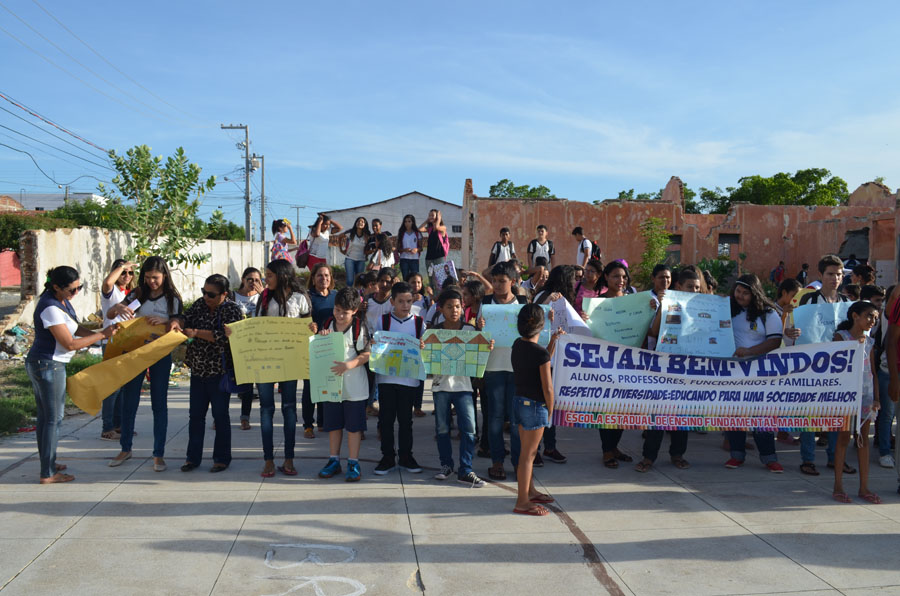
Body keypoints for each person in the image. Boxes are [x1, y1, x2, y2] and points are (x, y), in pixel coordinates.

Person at [27, 266, 117, 483]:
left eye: (79, 288)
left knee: (46, 417)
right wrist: (101, 336)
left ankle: (48, 462)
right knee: (53, 419)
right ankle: (48, 473)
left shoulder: (62, 301)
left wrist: (102, 335)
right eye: (72, 290)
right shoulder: (50, 307)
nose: (76, 293)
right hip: (48, 365)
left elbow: (76, 329)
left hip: (47, 364)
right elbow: (69, 343)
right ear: (56, 287)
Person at [106, 256, 183, 471]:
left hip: (160, 355)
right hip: (135, 353)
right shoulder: (139, 294)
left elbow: (180, 322)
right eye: (148, 277)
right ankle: (125, 448)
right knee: (129, 401)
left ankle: (158, 454)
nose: (152, 282)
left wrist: (168, 321)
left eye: (155, 278)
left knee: (159, 404)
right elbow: (110, 313)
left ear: (164, 275)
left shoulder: (172, 298)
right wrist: (118, 308)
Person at [637, 269, 702, 473]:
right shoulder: (667, 303)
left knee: (682, 414)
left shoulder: (703, 308)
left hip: (687, 367)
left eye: (697, 288)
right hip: (663, 365)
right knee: (658, 412)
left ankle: (678, 454)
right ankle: (648, 457)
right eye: (690, 287)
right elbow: (654, 332)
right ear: (679, 287)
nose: (694, 291)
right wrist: (663, 307)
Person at [254, 258, 312, 477]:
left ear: (282, 276)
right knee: (266, 409)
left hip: (291, 361)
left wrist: (312, 328)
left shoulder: (300, 298)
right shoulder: (264, 298)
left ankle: (289, 459)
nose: (265, 279)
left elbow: (307, 327)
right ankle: (268, 460)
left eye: (269, 275)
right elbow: (255, 327)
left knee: (289, 408)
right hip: (266, 360)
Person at [180, 274, 244, 473]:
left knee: (220, 416)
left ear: (224, 294)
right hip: (198, 370)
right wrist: (177, 322)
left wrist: (197, 333)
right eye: (204, 292)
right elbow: (186, 320)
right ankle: (192, 458)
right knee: (195, 417)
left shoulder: (232, 310)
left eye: (211, 294)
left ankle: (221, 459)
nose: (206, 297)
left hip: (219, 372)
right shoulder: (199, 305)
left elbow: (227, 338)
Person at [430, 288, 491, 487]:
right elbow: (427, 360)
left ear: (462, 307)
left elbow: (480, 356)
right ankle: (446, 465)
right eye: (449, 307)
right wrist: (424, 349)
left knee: (469, 429)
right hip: (440, 387)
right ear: (440, 309)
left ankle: (466, 469)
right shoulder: (434, 332)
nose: (454, 310)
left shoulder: (470, 330)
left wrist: (486, 347)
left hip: (464, 387)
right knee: (442, 428)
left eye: (457, 306)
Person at [725, 274, 784, 472]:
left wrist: (749, 351)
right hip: (732, 371)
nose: (740, 296)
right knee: (735, 415)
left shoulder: (768, 313)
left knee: (762, 416)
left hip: (760, 373)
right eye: (737, 291)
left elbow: (774, 341)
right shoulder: (727, 309)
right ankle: (736, 456)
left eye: (745, 293)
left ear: (755, 294)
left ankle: (769, 458)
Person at [798, 254, 851, 472]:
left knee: (837, 414)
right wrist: (792, 333)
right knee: (809, 414)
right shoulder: (808, 301)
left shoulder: (847, 304)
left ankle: (835, 458)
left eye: (838, 274)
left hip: (839, 368)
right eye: (830, 274)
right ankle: (808, 459)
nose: (835, 278)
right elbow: (799, 330)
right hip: (812, 366)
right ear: (820, 275)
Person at [477, 261, 528, 480]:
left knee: (516, 420)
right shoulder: (486, 303)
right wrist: (480, 328)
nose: (497, 285)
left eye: (502, 281)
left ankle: (518, 463)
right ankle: (497, 461)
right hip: (493, 368)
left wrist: (548, 319)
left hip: (518, 368)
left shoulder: (523, 303)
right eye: (495, 281)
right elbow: (479, 337)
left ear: (513, 281)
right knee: (495, 417)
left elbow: (533, 331)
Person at [511, 304, 563, 516]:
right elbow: (547, 387)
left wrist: (552, 342)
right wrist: (550, 410)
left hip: (519, 402)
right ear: (542, 326)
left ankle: (529, 491)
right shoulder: (539, 353)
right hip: (535, 406)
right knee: (528, 455)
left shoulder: (518, 344)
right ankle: (522, 501)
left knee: (526, 453)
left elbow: (541, 359)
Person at [316, 287, 371, 482]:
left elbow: (367, 353)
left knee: (354, 428)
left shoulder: (359, 328)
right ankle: (334, 460)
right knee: (333, 425)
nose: (339, 315)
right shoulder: (327, 324)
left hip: (355, 387)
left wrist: (350, 365)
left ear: (354, 311)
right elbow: (318, 348)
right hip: (332, 385)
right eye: (337, 310)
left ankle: (353, 462)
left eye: (345, 312)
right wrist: (320, 337)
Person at [373, 281, 426, 475]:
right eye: (401, 301)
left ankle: (406, 457)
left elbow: (426, 349)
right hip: (386, 379)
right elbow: (375, 345)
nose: (405, 305)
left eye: (409, 301)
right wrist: (374, 344)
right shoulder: (383, 321)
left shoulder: (419, 323)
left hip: (409, 380)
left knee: (406, 421)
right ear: (392, 302)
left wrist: (423, 346)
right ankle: (387, 457)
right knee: (386, 421)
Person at [832, 301, 881, 504]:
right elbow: (835, 365)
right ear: (855, 316)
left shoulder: (869, 342)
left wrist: (876, 397)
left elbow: (873, 372)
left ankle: (864, 487)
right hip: (846, 395)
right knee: (843, 438)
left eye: (875, 317)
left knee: (862, 440)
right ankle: (838, 486)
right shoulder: (841, 337)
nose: (872, 320)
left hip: (865, 395)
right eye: (869, 315)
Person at [595, 260, 634, 468]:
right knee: (607, 408)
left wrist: (650, 310)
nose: (621, 280)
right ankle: (606, 450)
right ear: (606, 277)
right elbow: (589, 330)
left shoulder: (633, 301)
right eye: (616, 276)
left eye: (624, 277)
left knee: (623, 408)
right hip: (605, 362)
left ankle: (615, 447)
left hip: (627, 362)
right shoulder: (597, 303)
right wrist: (585, 318)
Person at [99, 259, 135, 440]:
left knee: (122, 387)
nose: (126, 276)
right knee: (112, 387)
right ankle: (107, 427)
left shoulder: (129, 293)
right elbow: (107, 283)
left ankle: (119, 424)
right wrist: (122, 266)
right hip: (112, 341)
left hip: (127, 342)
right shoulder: (111, 291)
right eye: (123, 273)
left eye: (130, 273)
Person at [303, 263, 336, 437]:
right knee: (310, 388)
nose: (324, 279)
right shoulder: (307, 297)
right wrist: (309, 326)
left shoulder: (336, 296)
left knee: (326, 385)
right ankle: (308, 425)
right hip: (311, 347)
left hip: (331, 347)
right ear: (313, 278)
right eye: (320, 275)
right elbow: (300, 319)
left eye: (326, 275)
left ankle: (323, 421)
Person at [233, 267, 263, 430]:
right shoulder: (233, 296)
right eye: (250, 279)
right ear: (243, 280)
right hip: (236, 345)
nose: (253, 283)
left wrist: (264, 294)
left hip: (255, 346)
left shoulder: (263, 297)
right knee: (229, 383)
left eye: (257, 280)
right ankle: (219, 417)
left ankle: (245, 418)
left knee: (249, 384)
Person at [420, 209, 449, 290]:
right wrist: (427, 220)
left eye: (432, 215)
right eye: (429, 215)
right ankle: (433, 295)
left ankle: (441, 294)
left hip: (439, 256)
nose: (431, 217)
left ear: (438, 216)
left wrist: (439, 219)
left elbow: (437, 227)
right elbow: (419, 229)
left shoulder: (443, 228)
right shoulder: (429, 229)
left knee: (440, 278)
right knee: (431, 278)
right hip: (429, 257)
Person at [341, 216, 370, 286]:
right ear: (356, 223)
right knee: (350, 280)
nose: (360, 222)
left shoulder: (367, 235)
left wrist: (367, 255)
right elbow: (339, 237)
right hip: (350, 259)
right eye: (358, 221)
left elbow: (368, 247)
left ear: (365, 224)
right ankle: (349, 292)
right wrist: (341, 249)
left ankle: (358, 293)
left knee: (359, 280)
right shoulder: (350, 233)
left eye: (362, 222)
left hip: (361, 260)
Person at [397, 214, 422, 281]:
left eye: (409, 221)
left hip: (414, 259)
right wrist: (404, 250)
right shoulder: (401, 233)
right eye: (405, 221)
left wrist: (416, 249)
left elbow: (421, 248)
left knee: (415, 278)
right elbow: (398, 248)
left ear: (412, 222)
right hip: (404, 259)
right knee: (405, 278)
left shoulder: (417, 233)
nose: (407, 223)